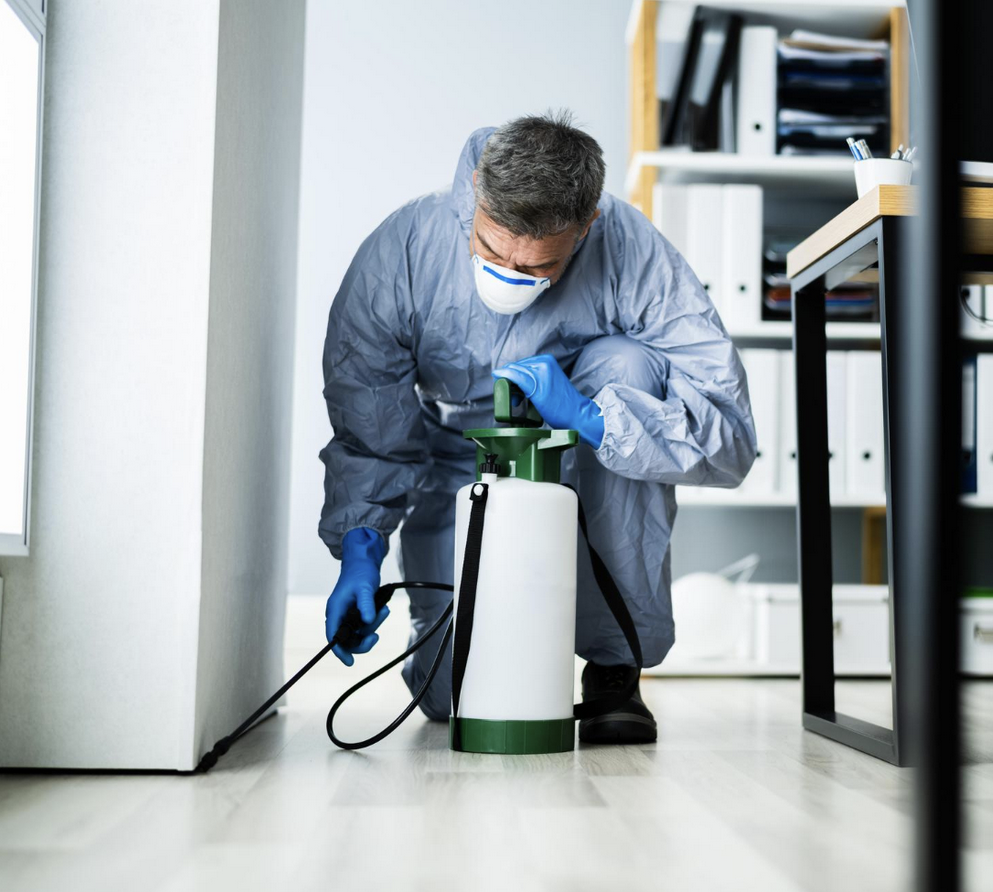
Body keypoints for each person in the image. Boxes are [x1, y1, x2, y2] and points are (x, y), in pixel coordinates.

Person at [317, 111, 755, 744]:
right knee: (451, 697)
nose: (509, 274)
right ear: (475, 194)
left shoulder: (628, 248)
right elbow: (370, 424)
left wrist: (593, 417)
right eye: (492, 249)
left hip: (575, 451)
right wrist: (360, 553)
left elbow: (729, 431)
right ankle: (445, 656)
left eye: (537, 268)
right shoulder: (401, 253)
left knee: (626, 362)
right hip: (456, 462)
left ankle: (612, 669)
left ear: (586, 229)